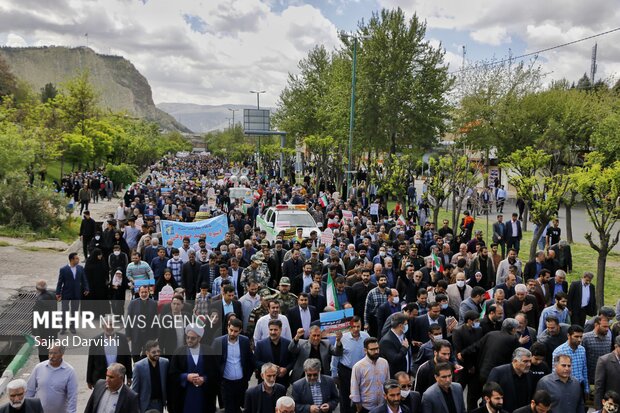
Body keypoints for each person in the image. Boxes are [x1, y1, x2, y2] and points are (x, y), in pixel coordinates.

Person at [168, 323, 218, 413]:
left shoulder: (209, 351)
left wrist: (204, 379)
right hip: (185, 395)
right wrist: (186, 377)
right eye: (187, 337)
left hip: (203, 395)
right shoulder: (179, 352)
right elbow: (172, 374)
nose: (189, 340)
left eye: (193, 338)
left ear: (199, 338)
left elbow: (215, 373)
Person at [212, 318, 254, 413]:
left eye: (235, 331)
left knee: (240, 407)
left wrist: (247, 377)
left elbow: (250, 360)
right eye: (231, 330)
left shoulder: (245, 341)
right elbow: (212, 362)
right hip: (226, 383)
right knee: (229, 408)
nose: (232, 333)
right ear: (227, 328)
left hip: (241, 383)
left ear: (240, 331)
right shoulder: (219, 342)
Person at [331, 316, 370, 413]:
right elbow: (336, 356)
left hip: (362, 372)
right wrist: (334, 374)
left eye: (358, 326)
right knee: (345, 398)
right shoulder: (342, 338)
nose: (356, 329)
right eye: (354, 327)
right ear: (349, 327)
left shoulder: (366, 336)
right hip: (346, 372)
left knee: (362, 397)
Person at [25, 345, 78, 413]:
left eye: (55, 353)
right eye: (50, 353)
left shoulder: (69, 372)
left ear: (62, 354)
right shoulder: (39, 368)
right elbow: (30, 390)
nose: (52, 356)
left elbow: (72, 396)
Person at [86, 316, 132, 389]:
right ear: (102, 326)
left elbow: (127, 358)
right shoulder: (95, 341)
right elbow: (90, 361)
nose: (109, 327)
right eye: (106, 325)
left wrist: (129, 376)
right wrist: (89, 380)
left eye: (111, 324)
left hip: (118, 378)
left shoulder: (123, 339)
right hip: (100, 379)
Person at [487, 347, 534, 412]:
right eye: (525, 361)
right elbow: (488, 395)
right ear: (515, 361)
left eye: (530, 361)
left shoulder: (530, 375)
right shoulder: (498, 372)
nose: (529, 364)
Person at [351, 337, 391, 413]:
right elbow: (354, 388)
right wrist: (358, 406)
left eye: (377, 348)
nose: (376, 351)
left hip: (382, 406)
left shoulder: (384, 363)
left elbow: (387, 383)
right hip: (366, 407)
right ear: (365, 350)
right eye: (372, 349)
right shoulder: (358, 366)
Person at [55, 252, 89, 334]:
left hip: (76, 293)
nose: (78, 260)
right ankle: (63, 327)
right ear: (72, 260)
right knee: (64, 311)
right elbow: (60, 282)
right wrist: (57, 293)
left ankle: (72, 326)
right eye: (77, 258)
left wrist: (86, 288)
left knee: (74, 311)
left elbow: (84, 280)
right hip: (66, 293)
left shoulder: (80, 268)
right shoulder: (63, 269)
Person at [254, 319, 295, 388]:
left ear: (281, 330)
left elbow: (293, 361)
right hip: (265, 382)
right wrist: (269, 366)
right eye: (271, 329)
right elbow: (255, 361)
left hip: (282, 382)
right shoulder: (260, 344)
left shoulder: (288, 343)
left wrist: (286, 369)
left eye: (275, 330)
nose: (273, 332)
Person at [131, 340, 169, 413]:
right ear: (147, 353)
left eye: (158, 351)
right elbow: (135, 390)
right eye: (154, 352)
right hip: (145, 404)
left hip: (159, 404)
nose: (157, 354)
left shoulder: (165, 363)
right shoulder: (138, 366)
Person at [551, 324, 588, 396]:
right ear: (568, 336)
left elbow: (584, 369)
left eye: (581, 337)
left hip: (580, 385)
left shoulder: (582, 349)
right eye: (576, 337)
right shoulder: (559, 351)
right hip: (565, 386)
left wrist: (586, 388)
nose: (579, 339)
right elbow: (555, 372)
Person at [125, 285, 159, 362]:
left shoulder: (153, 303)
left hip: (149, 334)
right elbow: (129, 320)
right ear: (139, 292)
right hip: (136, 334)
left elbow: (156, 320)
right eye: (142, 292)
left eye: (145, 292)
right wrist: (128, 334)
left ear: (149, 292)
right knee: (135, 354)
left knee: (147, 354)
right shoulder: (133, 303)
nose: (144, 294)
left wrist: (156, 335)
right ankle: (137, 366)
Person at [32, 279, 58, 362]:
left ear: (37, 289)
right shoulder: (53, 295)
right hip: (53, 329)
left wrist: (37, 335)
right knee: (52, 349)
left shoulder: (39, 301)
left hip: (44, 332)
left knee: (43, 352)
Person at [583, 315, 612, 386]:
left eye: (608, 327)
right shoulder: (585, 338)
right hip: (589, 378)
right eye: (604, 326)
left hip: (603, 377)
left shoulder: (608, 339)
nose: (607, 329)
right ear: (596, 325)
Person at [595, 336, 620, 410]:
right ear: (616, 346)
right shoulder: (604, 361)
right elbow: (599, 387)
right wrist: (599, 408)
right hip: (611, 405)